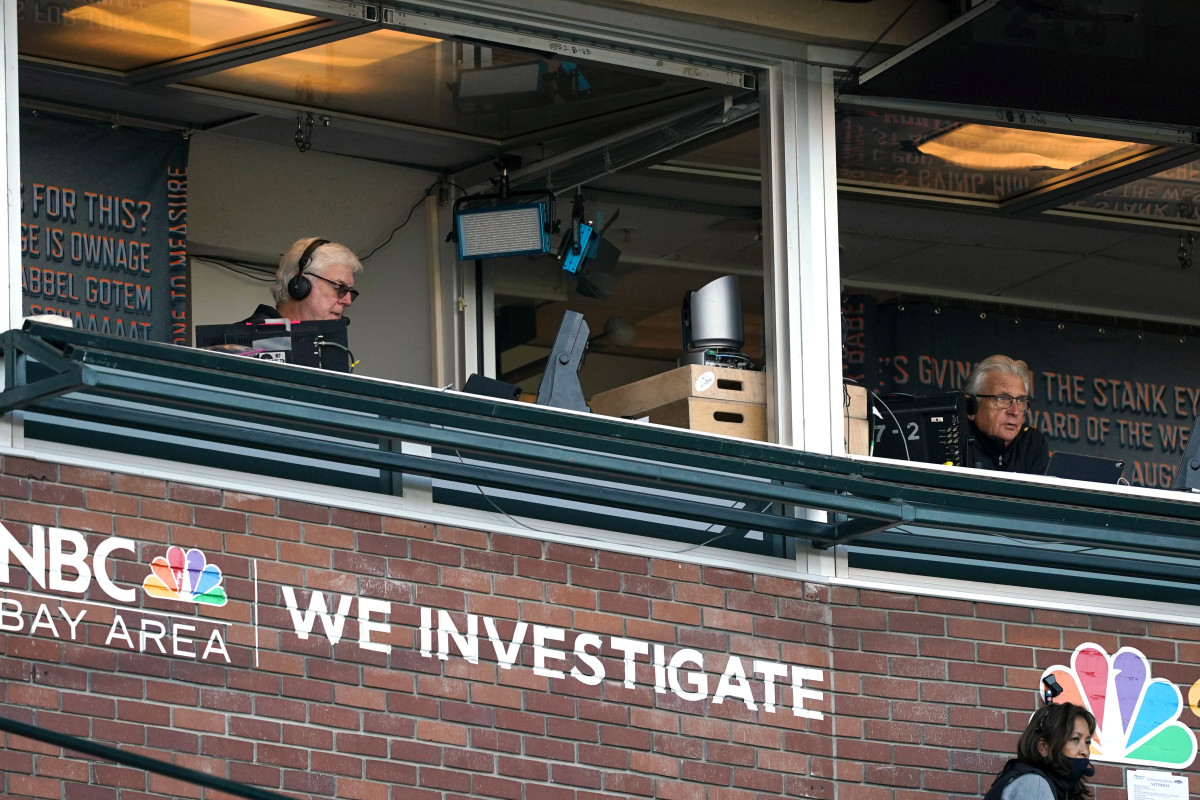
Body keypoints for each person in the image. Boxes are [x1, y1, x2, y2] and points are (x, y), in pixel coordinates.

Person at [984, 702, 1095, 800]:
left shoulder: (1059, 789)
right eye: (1075, 739)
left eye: (1087, 742)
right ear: (1043, 747)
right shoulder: (1034, 785)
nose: (1085, 751)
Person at [963, 354, 1049, 474]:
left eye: (1020, 401)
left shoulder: (1032, 444)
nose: (1014, 411)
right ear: (970, 406)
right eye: (1002, 398)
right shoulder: (952, 441)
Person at [245, 237, 362, 323]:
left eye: (349, 291)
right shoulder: (237, 347)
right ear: (299, 285)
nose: (348, 301)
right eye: (339, 287)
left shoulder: (329, 350)